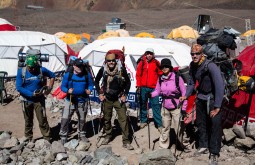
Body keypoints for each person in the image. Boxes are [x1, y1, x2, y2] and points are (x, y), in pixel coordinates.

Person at [180, 44, 225, 165]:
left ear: (202, 54)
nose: (194, 56)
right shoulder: (193, 66)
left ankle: (214, 152)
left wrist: (217, 106)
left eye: (197, 54)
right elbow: (190, 83)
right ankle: (204, 145)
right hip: (200, 97)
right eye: (192, 54)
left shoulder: (210, 66)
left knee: (215, 125)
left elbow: (219, 85)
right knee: (201, 123)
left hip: (213, 98)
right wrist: (186, 95)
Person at [94, 52, 134, 150]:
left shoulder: (120, 69)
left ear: (115, 61)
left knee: (123, 119)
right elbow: (96, 81)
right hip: (107, 98)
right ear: (106, 62)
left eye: (113, 61)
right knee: (107, 118)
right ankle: (108, 135)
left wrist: (125, 94)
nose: (111, 62)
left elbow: (128, 82)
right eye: (109, 61)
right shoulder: (103, 69)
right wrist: (100, 93)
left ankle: (126, 141)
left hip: (119, 98)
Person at [16, 49, 55, 142]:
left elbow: (52, 75)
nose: (32, 69)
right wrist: (31, 94)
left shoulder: (41, 70)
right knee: (28, 120)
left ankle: (47, 138)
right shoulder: (21, 72)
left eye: (33, 67)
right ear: (26, 65)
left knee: (42, 120)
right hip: (26, 100)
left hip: (39, 100)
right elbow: (19, 87)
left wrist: (49, 88)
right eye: (30, 67)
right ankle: (28, 138)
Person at [148, 58, 188, 150]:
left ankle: (183, 145)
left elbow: (184, 94)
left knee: (179, 128)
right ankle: (163, 147)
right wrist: (150, 94)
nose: (164, 68)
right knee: (165, 127)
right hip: (165, 107)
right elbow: (157, 91)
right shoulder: (160, 79)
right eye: (163, 67)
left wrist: (184, 108)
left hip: (177, 107)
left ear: (170, 67)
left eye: (166, 66)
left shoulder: (177, 78)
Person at [59, 58, 94, 144]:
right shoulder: (68, 75)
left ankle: (82, 134)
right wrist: (67, 91)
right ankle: (63, 136)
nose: (80, 68)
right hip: (70, 99)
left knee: (82, 119)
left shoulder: (87, 75)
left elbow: (90, 84)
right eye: (78, 66)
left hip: (82, 99)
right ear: (74, 65)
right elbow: (62, 86)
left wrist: (89, 90)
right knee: (65, 118)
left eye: (81, 66)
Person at [136, 48, 163, 132]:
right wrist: (138, 85)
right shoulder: (142, 62)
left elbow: (161, 73)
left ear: (153, 54)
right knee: (143, 104)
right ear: (145, 54)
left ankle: (159, 124)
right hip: (143, 87)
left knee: (155, 105)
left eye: (151, 54)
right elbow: (138, 74)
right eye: (147, 53)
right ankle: (143, 121)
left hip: (154, 88)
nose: (149, 55)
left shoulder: (156, 63)